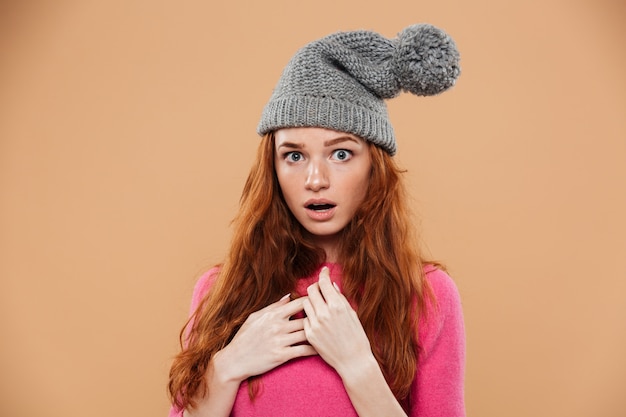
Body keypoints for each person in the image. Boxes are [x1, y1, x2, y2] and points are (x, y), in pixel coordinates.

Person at [167, 23, 465, 417]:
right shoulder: (220, 290)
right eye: (294, 155)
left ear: (374, 166)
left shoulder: (427, 295)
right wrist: (226, 368)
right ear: (272, 168)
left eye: (340, 154)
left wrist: (359, 367)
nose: (315, 180)